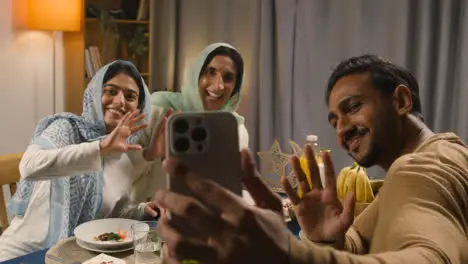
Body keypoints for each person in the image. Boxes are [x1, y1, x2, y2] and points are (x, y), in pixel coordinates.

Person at [152, 55, 468, 264]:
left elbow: (431, 257)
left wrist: (288, 254)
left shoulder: (428, 166)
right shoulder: (414, 168)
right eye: (334, 120)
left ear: (400, 101)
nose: (342, 129)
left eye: (354, 106)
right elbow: (368, 242)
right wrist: (329, 240)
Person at [0, 60, 164, 260]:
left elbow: (109, 214)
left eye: (130, 96)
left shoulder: (123, 157)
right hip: (24, 254)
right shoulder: (66, 129)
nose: (120, 101)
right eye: (111, 91)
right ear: (94, 95)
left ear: (139, 108)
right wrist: (100, 148)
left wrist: (141, 211)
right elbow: (28, 166)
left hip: (71, 256)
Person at [150, 42, 249, 150]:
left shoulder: (235, 128)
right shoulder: (158, 109)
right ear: (196, 74)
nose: (218, 86)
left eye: (228, 78)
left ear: (236, 88)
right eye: (211, 72)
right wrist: (150, 155)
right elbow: (131, 162)